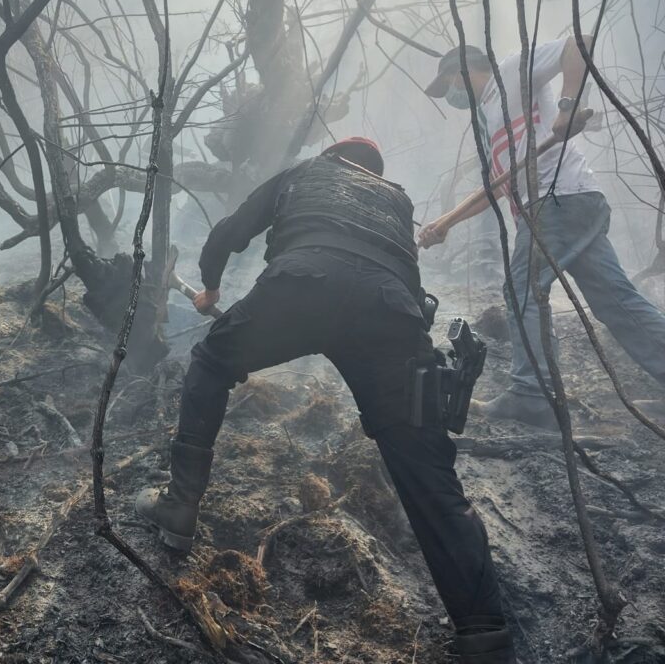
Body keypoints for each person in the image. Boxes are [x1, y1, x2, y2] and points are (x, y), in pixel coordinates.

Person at [136, 138, 515, 664]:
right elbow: (401, 276)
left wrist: (211, 289)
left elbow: (227, 233)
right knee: (430, 475)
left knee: (210, 362)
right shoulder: (395, 199)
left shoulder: (307, 170)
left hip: (301, 286)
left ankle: (179, 508)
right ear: (375, 172)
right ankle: (485, 632)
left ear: (335, 157)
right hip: (391, 313)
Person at [419, 39, 665, 429]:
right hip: (573, 204)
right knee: (617, 301)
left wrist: (567, 105)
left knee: (522, 289)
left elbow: (576, 44)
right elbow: (499, 185)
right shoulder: (491, 118)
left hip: (556, 201)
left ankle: (533, 396)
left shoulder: (512, 71)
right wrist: (446, 222)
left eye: (448, 84)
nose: (450, 95)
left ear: (462, 72)